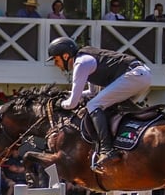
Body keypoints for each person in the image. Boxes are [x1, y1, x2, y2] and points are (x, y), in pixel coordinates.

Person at [47, 36, 152, 172]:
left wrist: (60, 103)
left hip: (135, 76)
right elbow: (91, 92)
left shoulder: (81, 63)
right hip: (140, 75)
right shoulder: (87, 60)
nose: (56, 64)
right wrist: (68, 94)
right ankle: (127, 143)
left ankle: (107, 150)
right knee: (106, 106)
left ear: (66, 56)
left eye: (56, 59)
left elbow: (73, 104)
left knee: (93, 105)